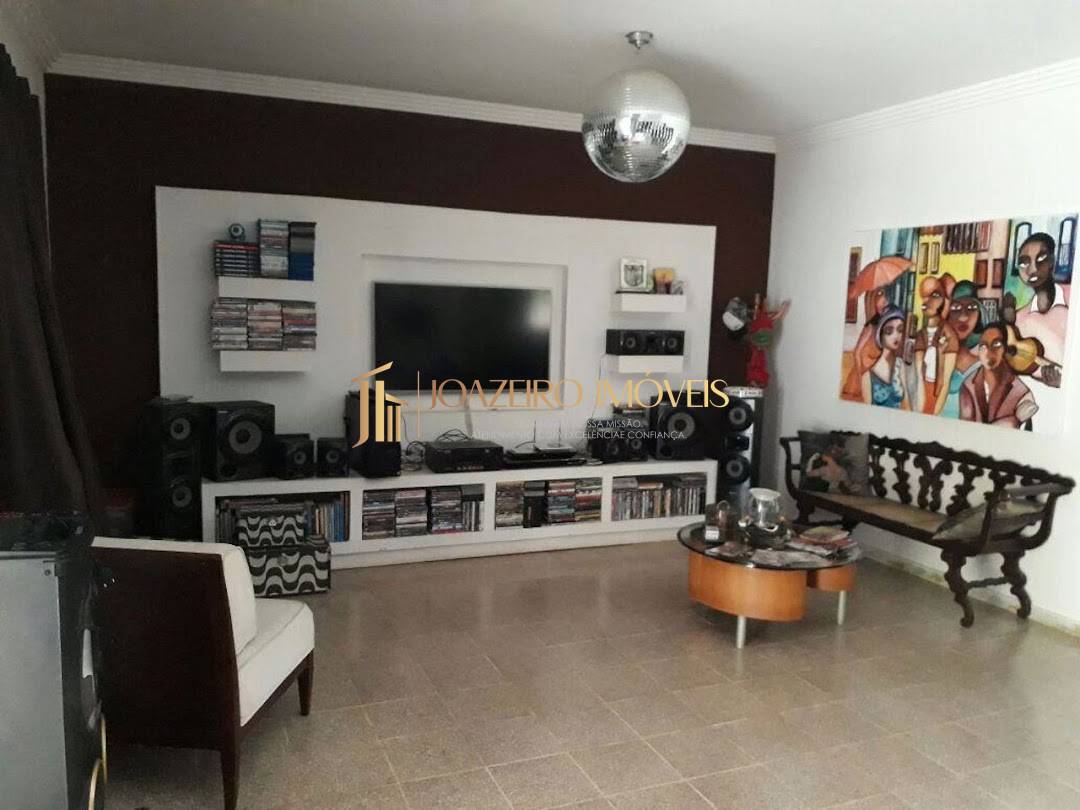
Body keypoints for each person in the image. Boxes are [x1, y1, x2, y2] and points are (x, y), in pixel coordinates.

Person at [1003, 232, 1069, 387]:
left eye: (1041, 259)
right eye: (1024, 263)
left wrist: (1063, 382)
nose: (1032, 269)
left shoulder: (1071, 300)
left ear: (1052, 261)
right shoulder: (1020, 319)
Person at [959, 323, 1038, 428]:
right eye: (983, 346)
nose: (989, 353)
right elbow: (965, 428)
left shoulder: (1021, 393)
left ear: (1006, 349)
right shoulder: (968, 385)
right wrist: (1014, 420)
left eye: (996, 344)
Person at [913, 274, 960, 415]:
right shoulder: (920, 335)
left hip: (936, 395)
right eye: (924, 296)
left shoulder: (949, 335)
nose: (927, 302)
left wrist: (935, 414)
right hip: (918, 394)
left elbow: (945, 382)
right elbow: (917, 375)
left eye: (934, 296)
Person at [940, 280, 983, 419]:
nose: (963, 317)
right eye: (956, 308)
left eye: (971, 308)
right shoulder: (934, 358)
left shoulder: (984, 365)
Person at [841, 286, 889, 401]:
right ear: (873, 304)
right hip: (861, 376)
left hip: (873, 374)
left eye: (885, 304)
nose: (884, 307)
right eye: (881, 305)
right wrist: (859, 376)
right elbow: (857, 352)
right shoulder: (870, 326)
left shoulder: (883, 326)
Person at [861, 304, 910, 409]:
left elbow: (906, 405)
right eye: (889, 331)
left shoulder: (900, 365)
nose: (896, 336)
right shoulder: (868, 376)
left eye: (900, 330)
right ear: (880, 334)